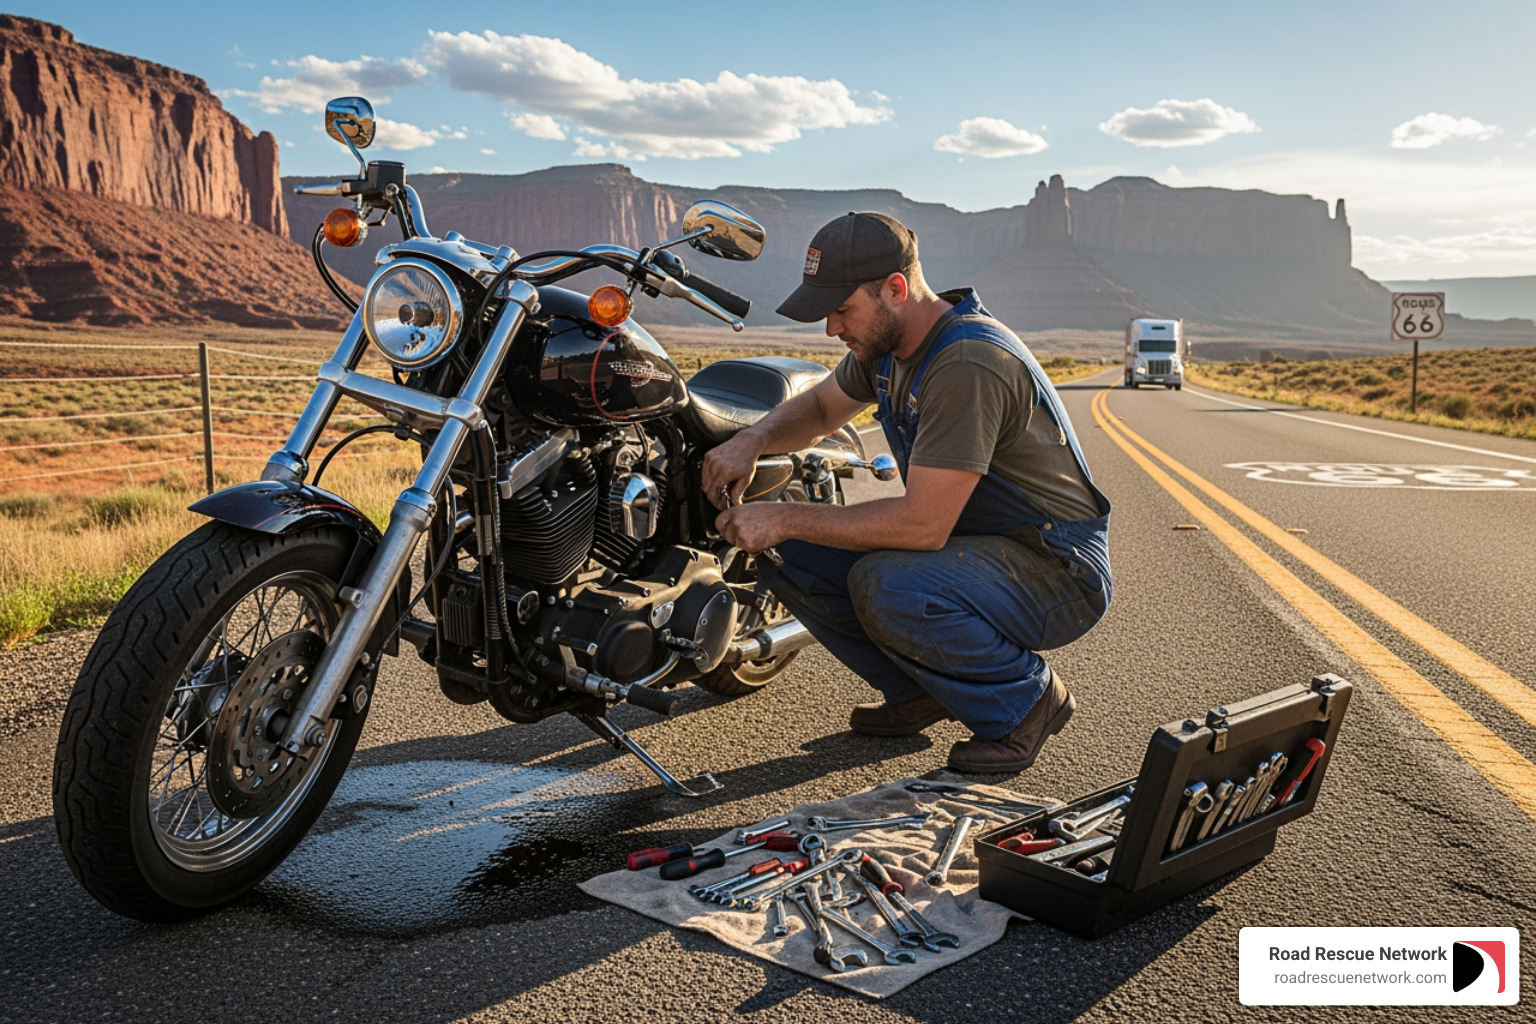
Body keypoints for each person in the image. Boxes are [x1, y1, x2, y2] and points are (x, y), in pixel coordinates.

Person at [702, 212, 1112, 773]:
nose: (830, 329)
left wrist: (785, 515)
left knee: (885, 583)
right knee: (786, 556)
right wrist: (752, 439)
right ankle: (925, 690)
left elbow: (922, 526)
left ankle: (1026, 703)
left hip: (1054, 567)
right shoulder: (891, 350)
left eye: (842, 310)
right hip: (979, 549)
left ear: (896, 289)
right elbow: (822, 408)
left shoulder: (966, 360)